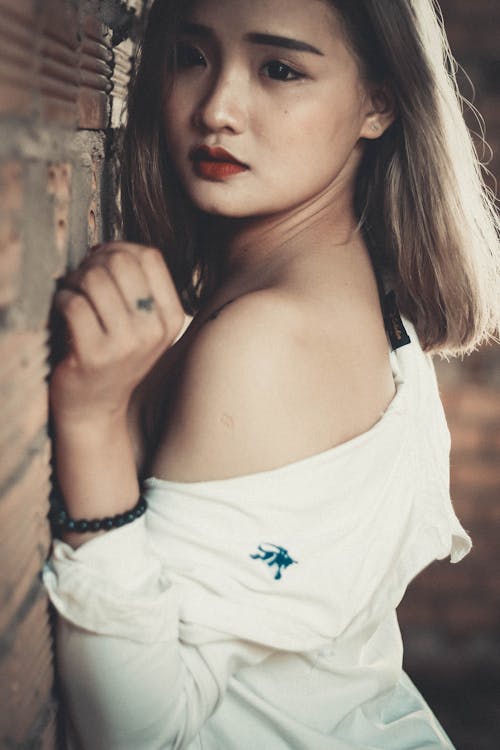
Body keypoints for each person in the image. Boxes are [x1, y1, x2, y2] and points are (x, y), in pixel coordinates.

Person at [42, 0, 499, 748]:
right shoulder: (369, 302)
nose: (217, 108)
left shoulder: (264, 341)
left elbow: (141, 732)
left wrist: (92, 423)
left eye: (279, 69)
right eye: (192, 56)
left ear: (378, 102)